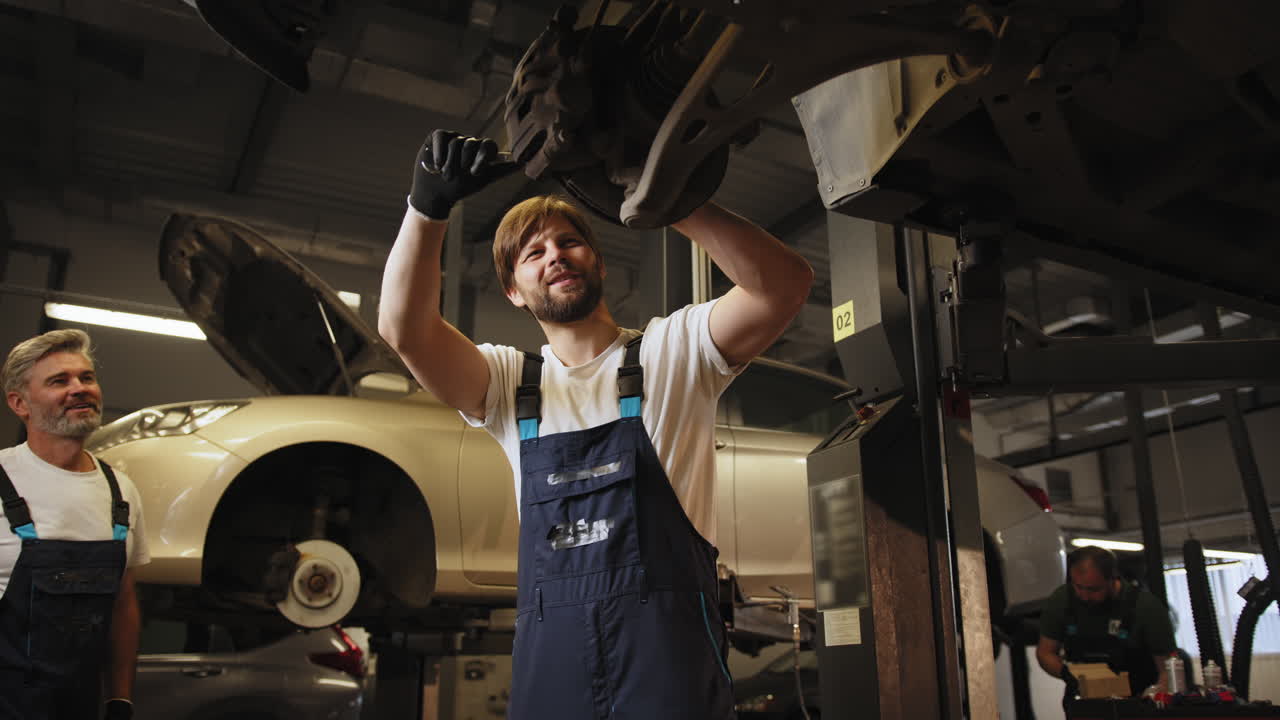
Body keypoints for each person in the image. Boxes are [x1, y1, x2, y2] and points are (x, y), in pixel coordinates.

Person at [379, 130, 813, 719]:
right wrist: (426, 208)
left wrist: (665, 197)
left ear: (599, 261)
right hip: (553, 672)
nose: (554, 255)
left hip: (668, 665)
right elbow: (405, 330)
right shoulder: (508, 384)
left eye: (568, 242)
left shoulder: (672, 352)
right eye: (532, 254)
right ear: (513, 291)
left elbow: (784, 286)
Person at [0, 329, 150, 720]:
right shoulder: (3, 478)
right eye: (58, 381)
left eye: (86, 377)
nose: (79, 388)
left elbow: (123, 606)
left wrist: (120, 699)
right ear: (20, 403)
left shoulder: (121, 492)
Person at [1036, 545, 1176, 703]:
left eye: (1093, 589)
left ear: (1112, 578)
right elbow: (1045, 653)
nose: (1084, 596)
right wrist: (1066, 674)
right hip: (1082, 702)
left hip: (1135, 703)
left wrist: (1155, 698)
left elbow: (1167, 670)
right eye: (1078, 587)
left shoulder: (1145, 608)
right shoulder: (1062, 600)